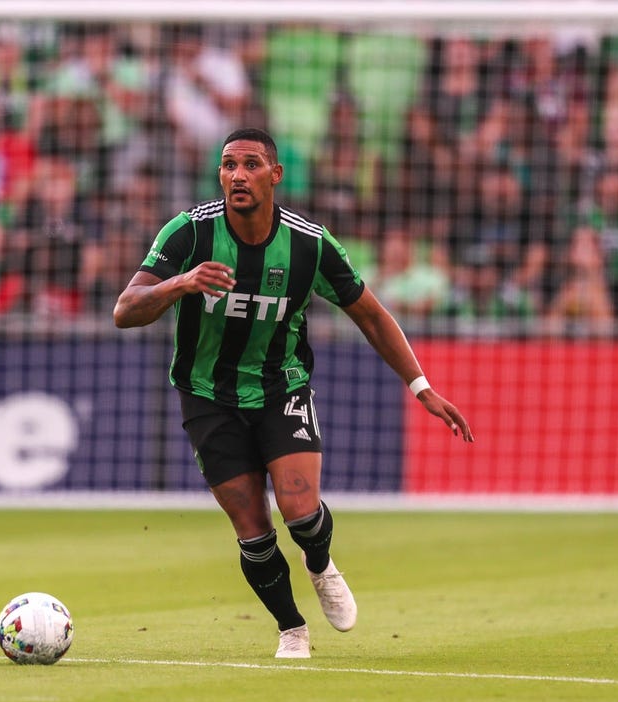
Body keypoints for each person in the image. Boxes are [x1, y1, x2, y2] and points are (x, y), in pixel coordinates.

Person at [113, 128, 474, 659]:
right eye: (228, 164)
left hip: (282, 385)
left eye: (251, 164)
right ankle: (292, 629)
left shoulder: (309, 244)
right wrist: (180, 284)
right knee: (252, 527)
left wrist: (420, 387)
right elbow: (125, 310)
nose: (238, 174)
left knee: (300, 510)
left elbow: (371, 316)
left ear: (275, 175)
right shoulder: (188, 234)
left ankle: (320, 562)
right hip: (208, 395)